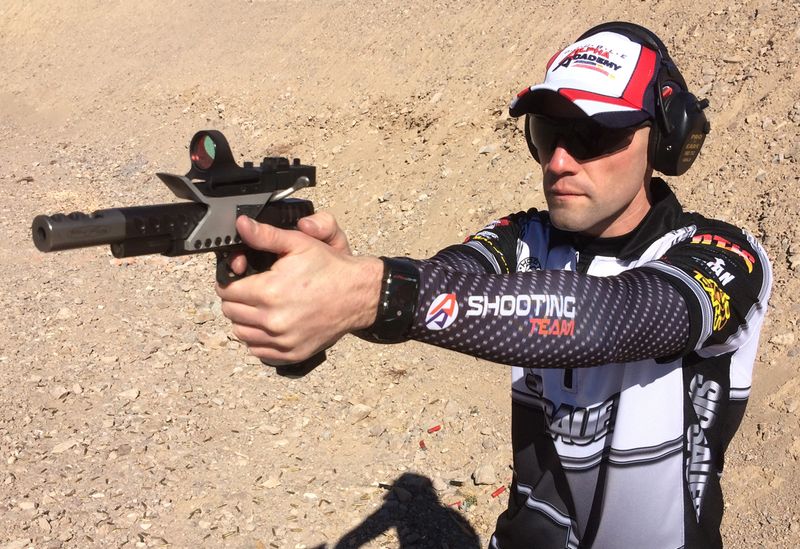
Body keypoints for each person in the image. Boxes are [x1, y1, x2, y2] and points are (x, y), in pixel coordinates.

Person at [216, 21, 772, 549]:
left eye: (591, 134)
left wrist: (370, 291)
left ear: (665, 141)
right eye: (548, 133)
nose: (559, 161)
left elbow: (615, 317)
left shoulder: (727, 254)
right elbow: (436, 289)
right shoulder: (522, 236)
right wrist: (335, 283)